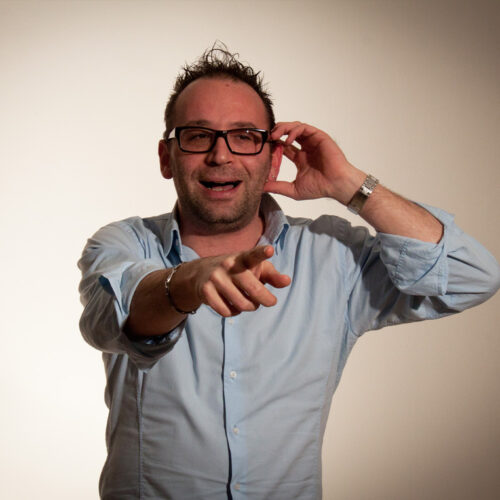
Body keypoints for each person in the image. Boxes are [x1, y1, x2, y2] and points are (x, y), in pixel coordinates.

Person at [78, 47, 500, 500]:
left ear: (273, 159)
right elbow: (114, 318)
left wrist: (350, 185)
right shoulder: (122, 243)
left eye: (244, 136)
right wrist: (189, 281)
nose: (220, 155)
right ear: (167, 158)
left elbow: (469, 276)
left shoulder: (334, 254)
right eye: (198, 136)